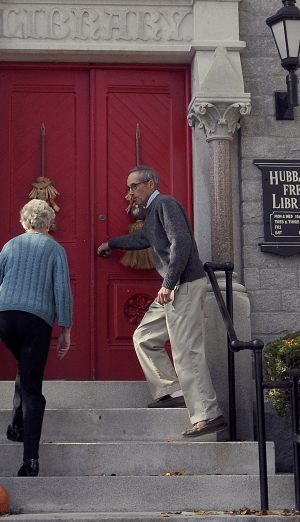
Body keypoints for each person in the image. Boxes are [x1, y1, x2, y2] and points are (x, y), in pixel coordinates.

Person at [97, 166, 226, 438]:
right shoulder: (152, 213)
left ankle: (208, 414)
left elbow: (182, 242)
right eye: (128, 188)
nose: (130, 193)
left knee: (186, 351)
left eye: (134, 187)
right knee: (144, 337)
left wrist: (169, 283)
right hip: (175, 287)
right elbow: (142, 239)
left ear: (150, 183)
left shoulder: (165, 204)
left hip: (184, 285)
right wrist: (112, 242)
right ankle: (172, 390)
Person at [0, 198, 73, 476]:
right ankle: (30, 460)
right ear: (49, 224)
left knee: (25, 366)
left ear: (24, 222)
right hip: (36, 319)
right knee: (33, 388)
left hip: (4, 313)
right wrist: (65, 329)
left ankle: (16, 426)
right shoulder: (55, 249)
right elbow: (62, 291)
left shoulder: (11, 245)